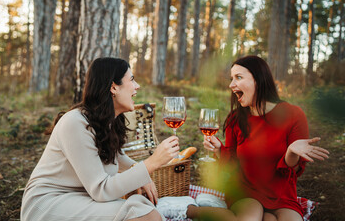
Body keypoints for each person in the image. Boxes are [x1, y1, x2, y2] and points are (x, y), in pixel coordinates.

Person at [156, 55, 330, 221]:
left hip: (281, 195)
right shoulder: (236, 118)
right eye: (231, 79)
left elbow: (294, 169)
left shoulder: (293, 114)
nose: (232, 84)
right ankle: (189, 209)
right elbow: (233, 163)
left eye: (238, 77)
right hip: (246, 191)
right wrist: (218, 150)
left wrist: (291, 151)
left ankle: (220, 208)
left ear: (258, 79)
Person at [21, 57, 179, 221]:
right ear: (113, 87)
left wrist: (139, 171)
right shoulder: (75, 123)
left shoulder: (108, 120)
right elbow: (101, 189)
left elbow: (116, 156)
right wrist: (151, 163)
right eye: (131, 79)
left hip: (82, 197)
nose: (137, 86)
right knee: (144, 215)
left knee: (144, 209)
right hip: (49, 203)